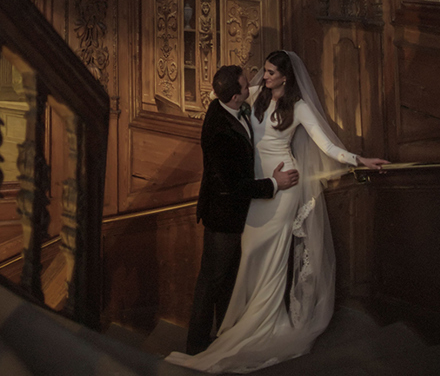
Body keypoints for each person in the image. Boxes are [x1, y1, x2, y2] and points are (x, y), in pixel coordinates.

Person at [167, 51, 389, 373]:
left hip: (283, 188)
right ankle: (231, 327)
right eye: (263, 73)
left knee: (268, 260)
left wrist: (359, 160)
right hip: (256, 190)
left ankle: (262, 324)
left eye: (270, 73)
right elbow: (224, 108)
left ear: (285, 77)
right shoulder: (254, 96)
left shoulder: (298, 107)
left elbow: (326, 145)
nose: (262, 77)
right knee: (248, 256)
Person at [184, 64, 300, 357]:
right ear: (235, 97)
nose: (252, 87)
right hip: (223, 218)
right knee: (211, 281)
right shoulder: (220, 130)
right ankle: (196, 345)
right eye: (246, 85)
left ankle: (223, 336)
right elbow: (231, 186)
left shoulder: (227, 105)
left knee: (226, 282)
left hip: (237, 216)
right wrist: (275, 182)